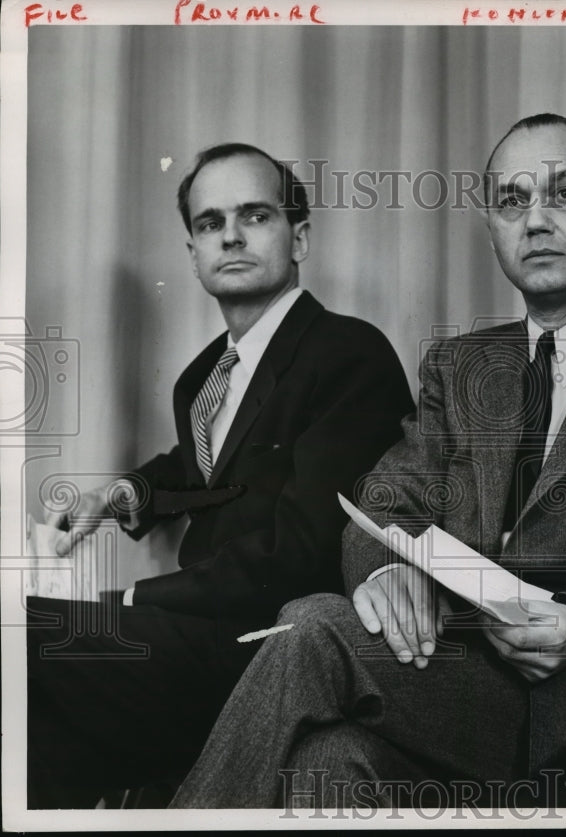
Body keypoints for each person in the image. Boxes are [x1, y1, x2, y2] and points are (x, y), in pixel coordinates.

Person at [169, 113, 566, 809]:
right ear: (491, 227)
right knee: (326, 758)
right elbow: (380, 505)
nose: (536, 220)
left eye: (563, 193)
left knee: (309, 632)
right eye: (512, 201)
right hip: (451, 683)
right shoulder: (460, 367)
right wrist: (390, 568)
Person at [27, 143, 414, 807]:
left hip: (266, 649)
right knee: (33, 709)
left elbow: (302, 552)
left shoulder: (347, 354)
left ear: (300, 237)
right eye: (210, 223)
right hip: (198, 641)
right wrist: (122, 494)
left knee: (27, 636)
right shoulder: (206, 374)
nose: (230, 235)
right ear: (194, 252)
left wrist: (131, 600)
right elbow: (209, 463)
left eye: (254, 215)